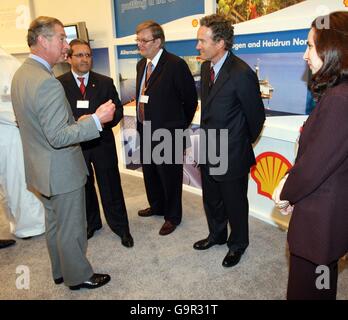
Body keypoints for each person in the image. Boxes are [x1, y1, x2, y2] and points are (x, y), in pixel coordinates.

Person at [11, 16, 114, 290]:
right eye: (61, 38)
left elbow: (39, 126)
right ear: (43, 41)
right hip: (60, 171)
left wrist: (80, 123)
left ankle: (60, 270)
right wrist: (96, 120)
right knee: (71, 228)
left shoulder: (23, 74)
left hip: (40, 169)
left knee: (55, 223)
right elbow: (58, 137)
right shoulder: (48, 83)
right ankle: (78, 276)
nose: (66, 44)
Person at [274, 11, 348, 300]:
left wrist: (286, 193)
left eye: (310, 45)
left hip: (320, 223)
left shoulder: (339, 100)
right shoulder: (339, 94)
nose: (305, 55)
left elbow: (314, 167)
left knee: (310, 292)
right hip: (326, 217)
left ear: (332, 48)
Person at [193, 14, 265, 268]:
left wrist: (238, 144)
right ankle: (216, 234)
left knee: (235, 202)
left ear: (221, 42)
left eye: (202, 41)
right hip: (208, 148)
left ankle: (238, 244)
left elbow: (256, 117)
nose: (197, 46)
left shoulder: (242, 72)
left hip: (232, 153)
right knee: (211, 198)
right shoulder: (205, 67)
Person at [57, 39, 133, 248]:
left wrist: (104, 120)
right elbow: (55, 116)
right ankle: (92, 223)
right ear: (69, 58)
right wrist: (76, 123)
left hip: (102, 143)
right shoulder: (58, 84)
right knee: (84, 188)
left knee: (111, 186)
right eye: (79, 55)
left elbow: (118, 110)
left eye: (88, 55)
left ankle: (121, 227)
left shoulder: (105, 82)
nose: (85, 59)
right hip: (76, 146)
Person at [135, 20, 198, 235]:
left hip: (168, 134)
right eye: (138, 40)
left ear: (158, 41)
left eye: (144, 41)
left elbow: (190, 101)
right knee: (151, 173)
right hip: (145, 130)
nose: (139, 45)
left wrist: (177, 127)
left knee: (170, 178)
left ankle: (172, 216)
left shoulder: (175, 65)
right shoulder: (141, 65)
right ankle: (157, 206)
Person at [0, 47, 45, 240]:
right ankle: (20, 222)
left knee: (17, 178)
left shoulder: (8, 63)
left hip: (11, 131)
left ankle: (30, 224)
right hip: (8, 129)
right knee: (8, 180)